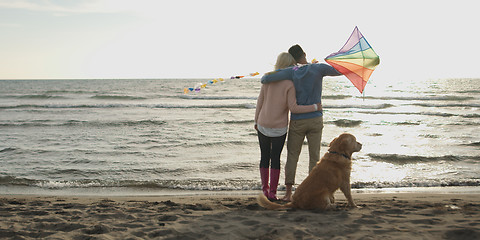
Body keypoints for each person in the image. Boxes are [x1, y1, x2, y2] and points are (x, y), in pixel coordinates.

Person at [260, 44, 342, 201]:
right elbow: (340, 71)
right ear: (304, 54)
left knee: (292, 156)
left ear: (292, 59)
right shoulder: (319, 68)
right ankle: (314, 191)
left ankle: (288, 194)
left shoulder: (292, 72)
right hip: (316, 118)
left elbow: (266, 78)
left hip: (298, 121)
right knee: (315, 157)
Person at [255, 52, 322, 201]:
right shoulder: (290, 84)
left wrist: (255, 121)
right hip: (279, 127)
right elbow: (294, 108)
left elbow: (260, 102)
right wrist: (315, 107)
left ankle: (265, 191)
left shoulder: (267, 80)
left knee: (264, 157)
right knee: (275, 158)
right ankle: (273, 192)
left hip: (262, 123)